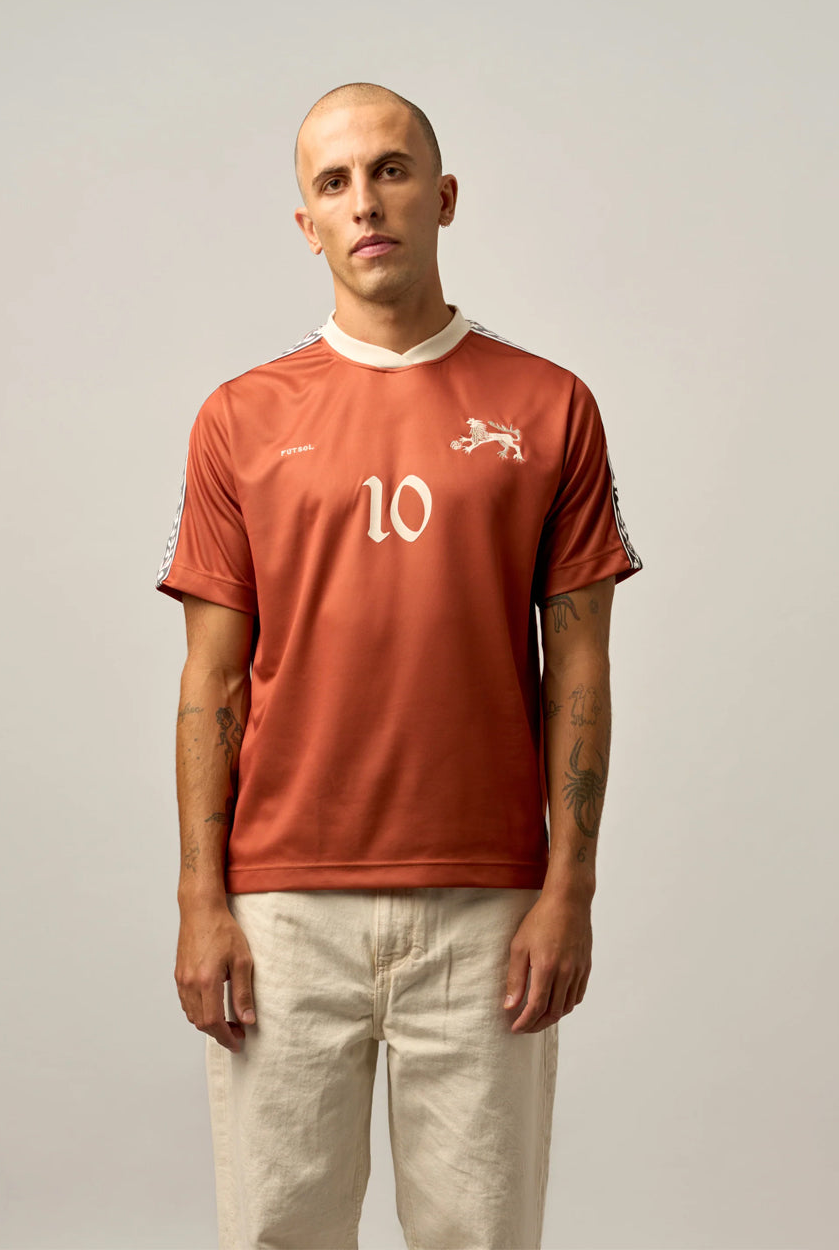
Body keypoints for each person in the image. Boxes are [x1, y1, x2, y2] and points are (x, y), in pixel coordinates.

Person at [156, 81, 643, 1250]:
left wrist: (569, 891)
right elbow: (210, 683)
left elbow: (579, 669)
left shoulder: (550, 407)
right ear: (307, 224)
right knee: (280, 1237)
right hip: (282, 911)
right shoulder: (239, 419)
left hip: (490, 910)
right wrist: (200, 901)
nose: (366, 202)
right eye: (334, 183)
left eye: (390, 169)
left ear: (444, 196)